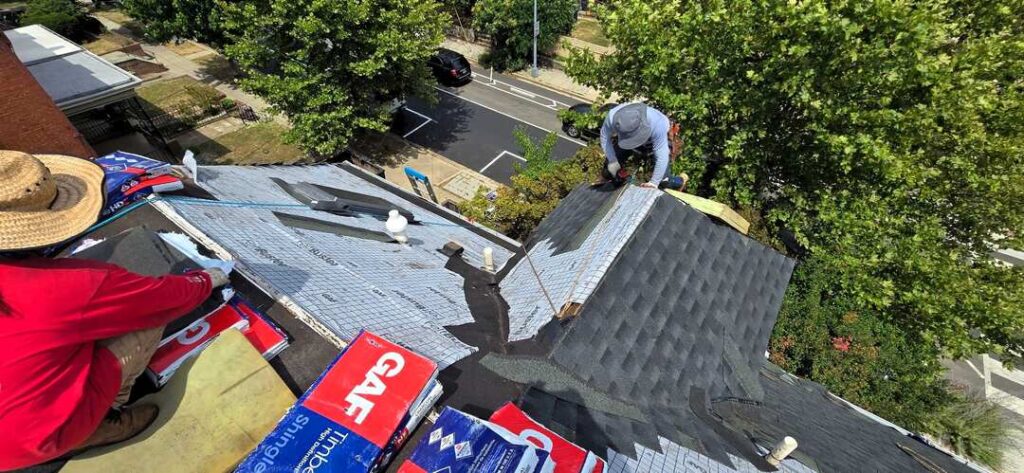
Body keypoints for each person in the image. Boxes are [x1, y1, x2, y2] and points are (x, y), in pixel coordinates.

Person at [0, 150, 230, 470]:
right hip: (26, 443)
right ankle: (100, 422)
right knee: (145, 320)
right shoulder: (72, 285)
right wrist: (206, 278)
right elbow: (166, 299)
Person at [600, 102, 672, 188]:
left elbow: (662, 155)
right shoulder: (612, 118)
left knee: (663, 181)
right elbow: (605, 139)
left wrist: (654, 182)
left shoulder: (658, 124)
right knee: (609, 170)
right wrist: (612, 160)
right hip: (625, 137)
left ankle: (679, 180)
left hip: (653, 139)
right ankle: (615, 179)